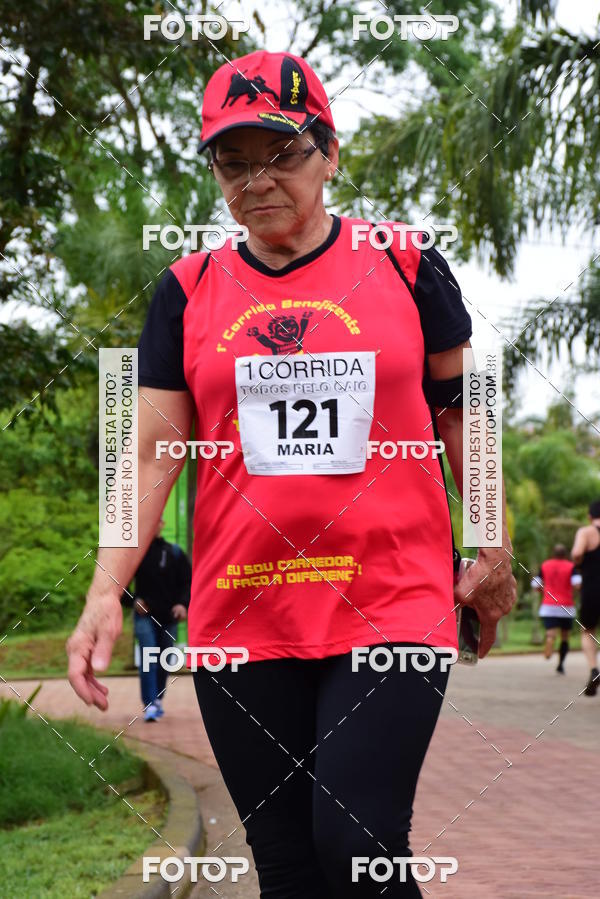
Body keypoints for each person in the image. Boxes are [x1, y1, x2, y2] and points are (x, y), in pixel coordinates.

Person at [67, 50, 516, 897]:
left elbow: (468, 410)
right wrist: (103, 591)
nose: (257, 180)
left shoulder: (406, 262)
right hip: (243, 610)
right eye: (232, 162)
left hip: (390, 598)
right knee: (287, 866)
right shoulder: (185, 290)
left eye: (281, 153)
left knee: (357, 844)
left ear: (330, 154)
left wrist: (492, 543)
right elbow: (151, 452)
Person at [123, 517, 191, 721]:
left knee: (165, 660)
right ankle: (150, 704)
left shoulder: (175, 553)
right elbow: (120, 584)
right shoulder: (135, 554)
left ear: (162, 524)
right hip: (144, 617)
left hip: (169, 617)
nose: (154, 524)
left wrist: (182, 604)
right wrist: (134, 601)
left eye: (158, 521)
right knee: (149, 657)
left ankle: (158, 699)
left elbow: (188, 583)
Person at [531, 544, 580, 674]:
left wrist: (542, 590)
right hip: (566, 606)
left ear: (553, 553)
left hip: (548, 606)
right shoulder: (571, 566)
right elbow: (577, 584)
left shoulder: (545, 565)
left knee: (551, 633)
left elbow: (535, 584)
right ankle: (560, 665)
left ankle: (549, 640)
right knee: (565, 637)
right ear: (565, 554)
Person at [571, 500, 600, 696]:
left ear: (590, 516)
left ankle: (594, 669)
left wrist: (580, 562)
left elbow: (577, 553)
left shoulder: (587, 532)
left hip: (592, 588)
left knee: (588, 630)